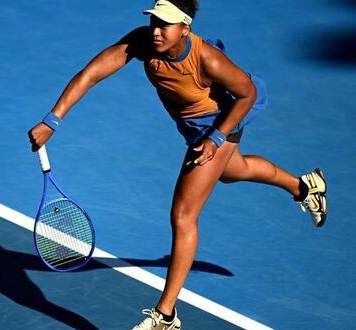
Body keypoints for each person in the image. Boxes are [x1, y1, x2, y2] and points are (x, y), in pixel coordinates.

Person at [27, 0, 328, 329]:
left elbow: (248, 94)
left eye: (165, 25)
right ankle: (304, 186)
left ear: (185, 28)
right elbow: (92, 73)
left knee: (184, 215)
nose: (156, 31)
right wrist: (52, 120)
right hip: (193, 127)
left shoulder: (207, 59)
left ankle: (165, 315)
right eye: (154, 22)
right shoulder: (142, 41)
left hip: (218, 125)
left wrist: (216, 139)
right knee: (233, 171)